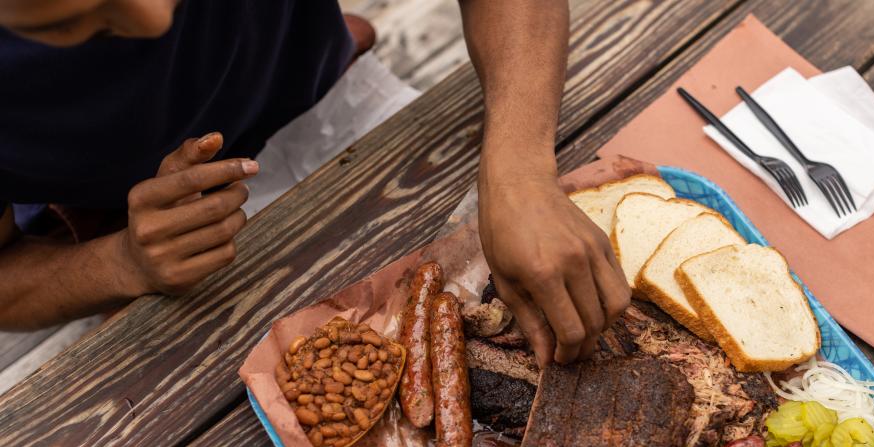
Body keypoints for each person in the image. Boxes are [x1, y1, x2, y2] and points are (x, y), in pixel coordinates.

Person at [0, 0, 630, 366]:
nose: (157, 19)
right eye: (70, 24)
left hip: (336, 103)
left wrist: (518, 173)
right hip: (138, 241)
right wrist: (122, 264)